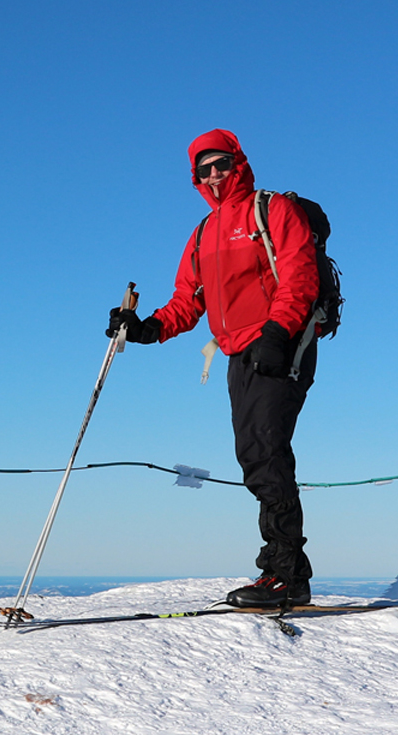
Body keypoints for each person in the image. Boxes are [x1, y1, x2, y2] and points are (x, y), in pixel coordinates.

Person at [108, 129, 322, 608]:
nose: (213, 174)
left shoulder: (272, 211)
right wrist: (146, 328)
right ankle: (282, 571)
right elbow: (189, 300)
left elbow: (300, 275)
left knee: (266, 450)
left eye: (220, 163)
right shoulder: (204, 232)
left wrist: (277, 332)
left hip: (282, 344)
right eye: (203, 169)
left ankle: (286, 574)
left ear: (238, 162)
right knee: (253, 454)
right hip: (237, 352)